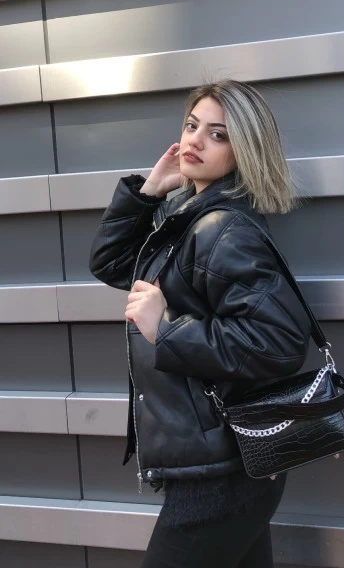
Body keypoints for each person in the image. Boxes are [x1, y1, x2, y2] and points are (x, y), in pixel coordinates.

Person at [89, 80, 311, 568]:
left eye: (217, 135)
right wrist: (149, 192)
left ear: (244, 151)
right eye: (192, 126)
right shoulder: (187, 217)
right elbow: (111, 264)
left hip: (222, 475)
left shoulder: (222, 229)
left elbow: (277, 342)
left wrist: (164, 329)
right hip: (225, 465)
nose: (194, 141)